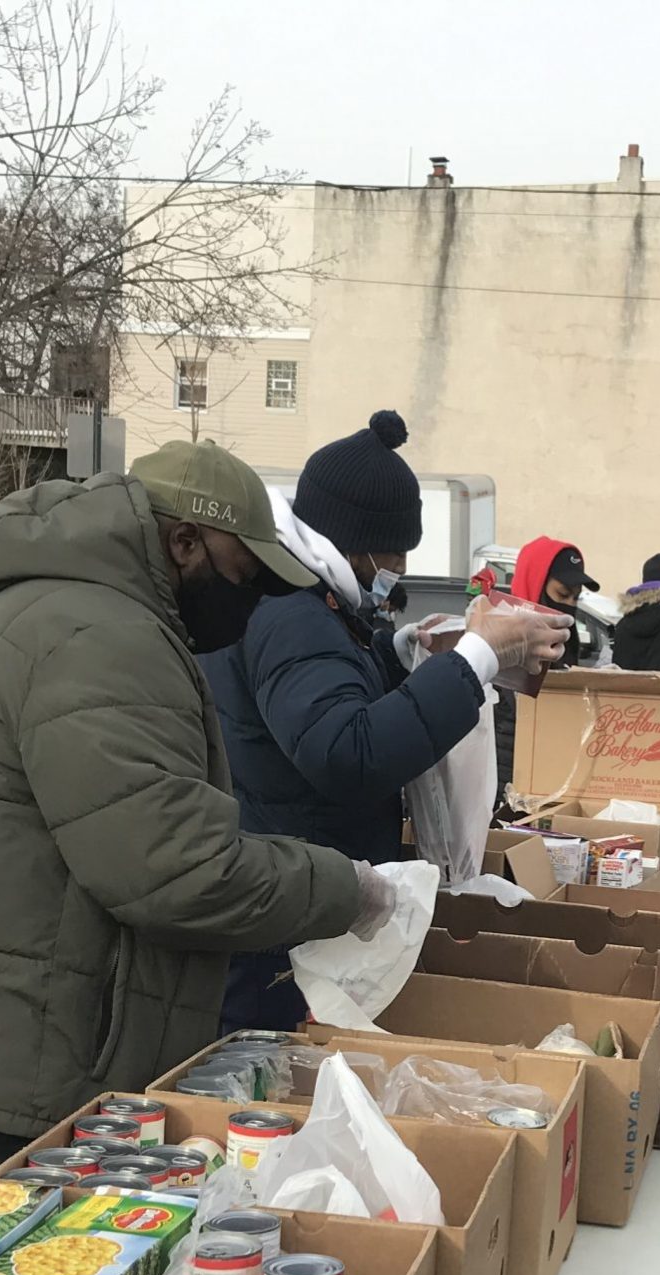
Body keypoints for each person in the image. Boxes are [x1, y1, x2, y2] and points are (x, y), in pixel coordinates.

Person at [0, 440, 391, 1196]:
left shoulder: (77, 612)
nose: (251, 595)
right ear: (183, 542)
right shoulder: (101, 638)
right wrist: (346, 889)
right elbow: (175, 868)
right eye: (243, 570)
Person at [206, 412, 567, 1029]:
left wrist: (395, 655)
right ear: (362, 540)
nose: (398, 565)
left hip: (299, 915)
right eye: (397, 550)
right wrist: (478, 657)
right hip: (284, 938)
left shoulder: (310, 604)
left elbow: (323, 694)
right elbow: (346, 752)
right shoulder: (292, 612)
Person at [496, 534, 595, 799]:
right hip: (504, 784)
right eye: (563, 594)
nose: (569, 607)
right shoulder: (501, 640)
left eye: (576, 598)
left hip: (550, 783)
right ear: (535, 585)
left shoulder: (565, 642)